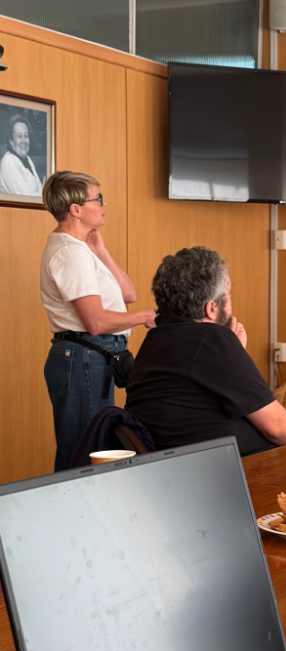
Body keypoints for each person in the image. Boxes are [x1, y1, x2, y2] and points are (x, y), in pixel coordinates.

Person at [125, 247, 286, 455]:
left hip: (190, 469)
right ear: (211, 308)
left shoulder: (155, 341)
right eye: (228, 294)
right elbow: (276, 428)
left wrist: (235, 354)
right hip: (245, 472)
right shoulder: (209, 338)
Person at [39, 171, 156, 471]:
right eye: (98, 198)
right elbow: (95, 322)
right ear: (76, 210)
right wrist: (144, 317)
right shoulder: (69, 252)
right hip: (83, 359)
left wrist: (101, 251)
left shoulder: (80, 249)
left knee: (92, 452)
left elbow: (128, 292)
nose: (104, 204)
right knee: (84, 457)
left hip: (91, 359)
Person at [0, 114, 43, 196]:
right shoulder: (8, 162)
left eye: (26, 135)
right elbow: (25, 198)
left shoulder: (26, 158)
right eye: (19, 136)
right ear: (11, 140)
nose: (24, 140)